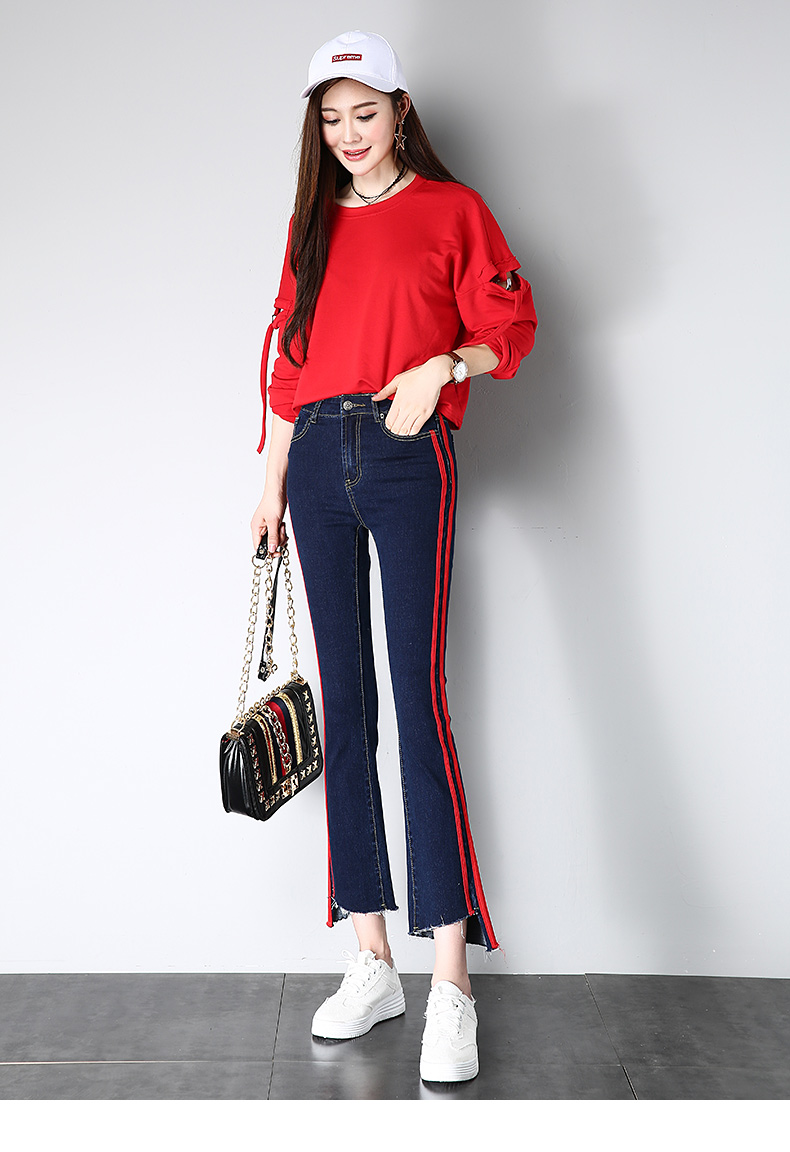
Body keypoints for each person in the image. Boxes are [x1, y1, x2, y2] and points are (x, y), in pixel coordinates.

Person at [250, 29, 537, 1084]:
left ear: (401, 110)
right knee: (347, 706)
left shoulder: (452, 211)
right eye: (331, 119)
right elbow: (286, 362)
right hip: (316, 461)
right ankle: (371, 957)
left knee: (418, 702)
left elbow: (513, 321)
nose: (348, 134)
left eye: (364, 113)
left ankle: (450, 982)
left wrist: (442, 365)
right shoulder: (311, 225)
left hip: (409, 451)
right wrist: (271, 483)